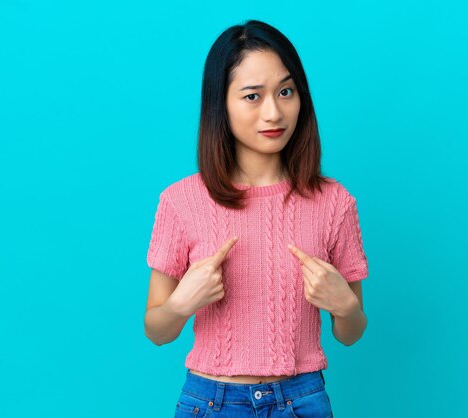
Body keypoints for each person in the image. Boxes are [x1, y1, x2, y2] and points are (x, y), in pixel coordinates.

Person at [144, 19, 369, 418]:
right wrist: (181, 304)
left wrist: (345, 307)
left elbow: (350, 334)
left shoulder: (335, 202)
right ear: (221, 103)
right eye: (252, 96)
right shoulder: (181, 201)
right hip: (211, 401)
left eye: (286, 91)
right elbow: (157, 330)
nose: (274, 112)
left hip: (302, 399)